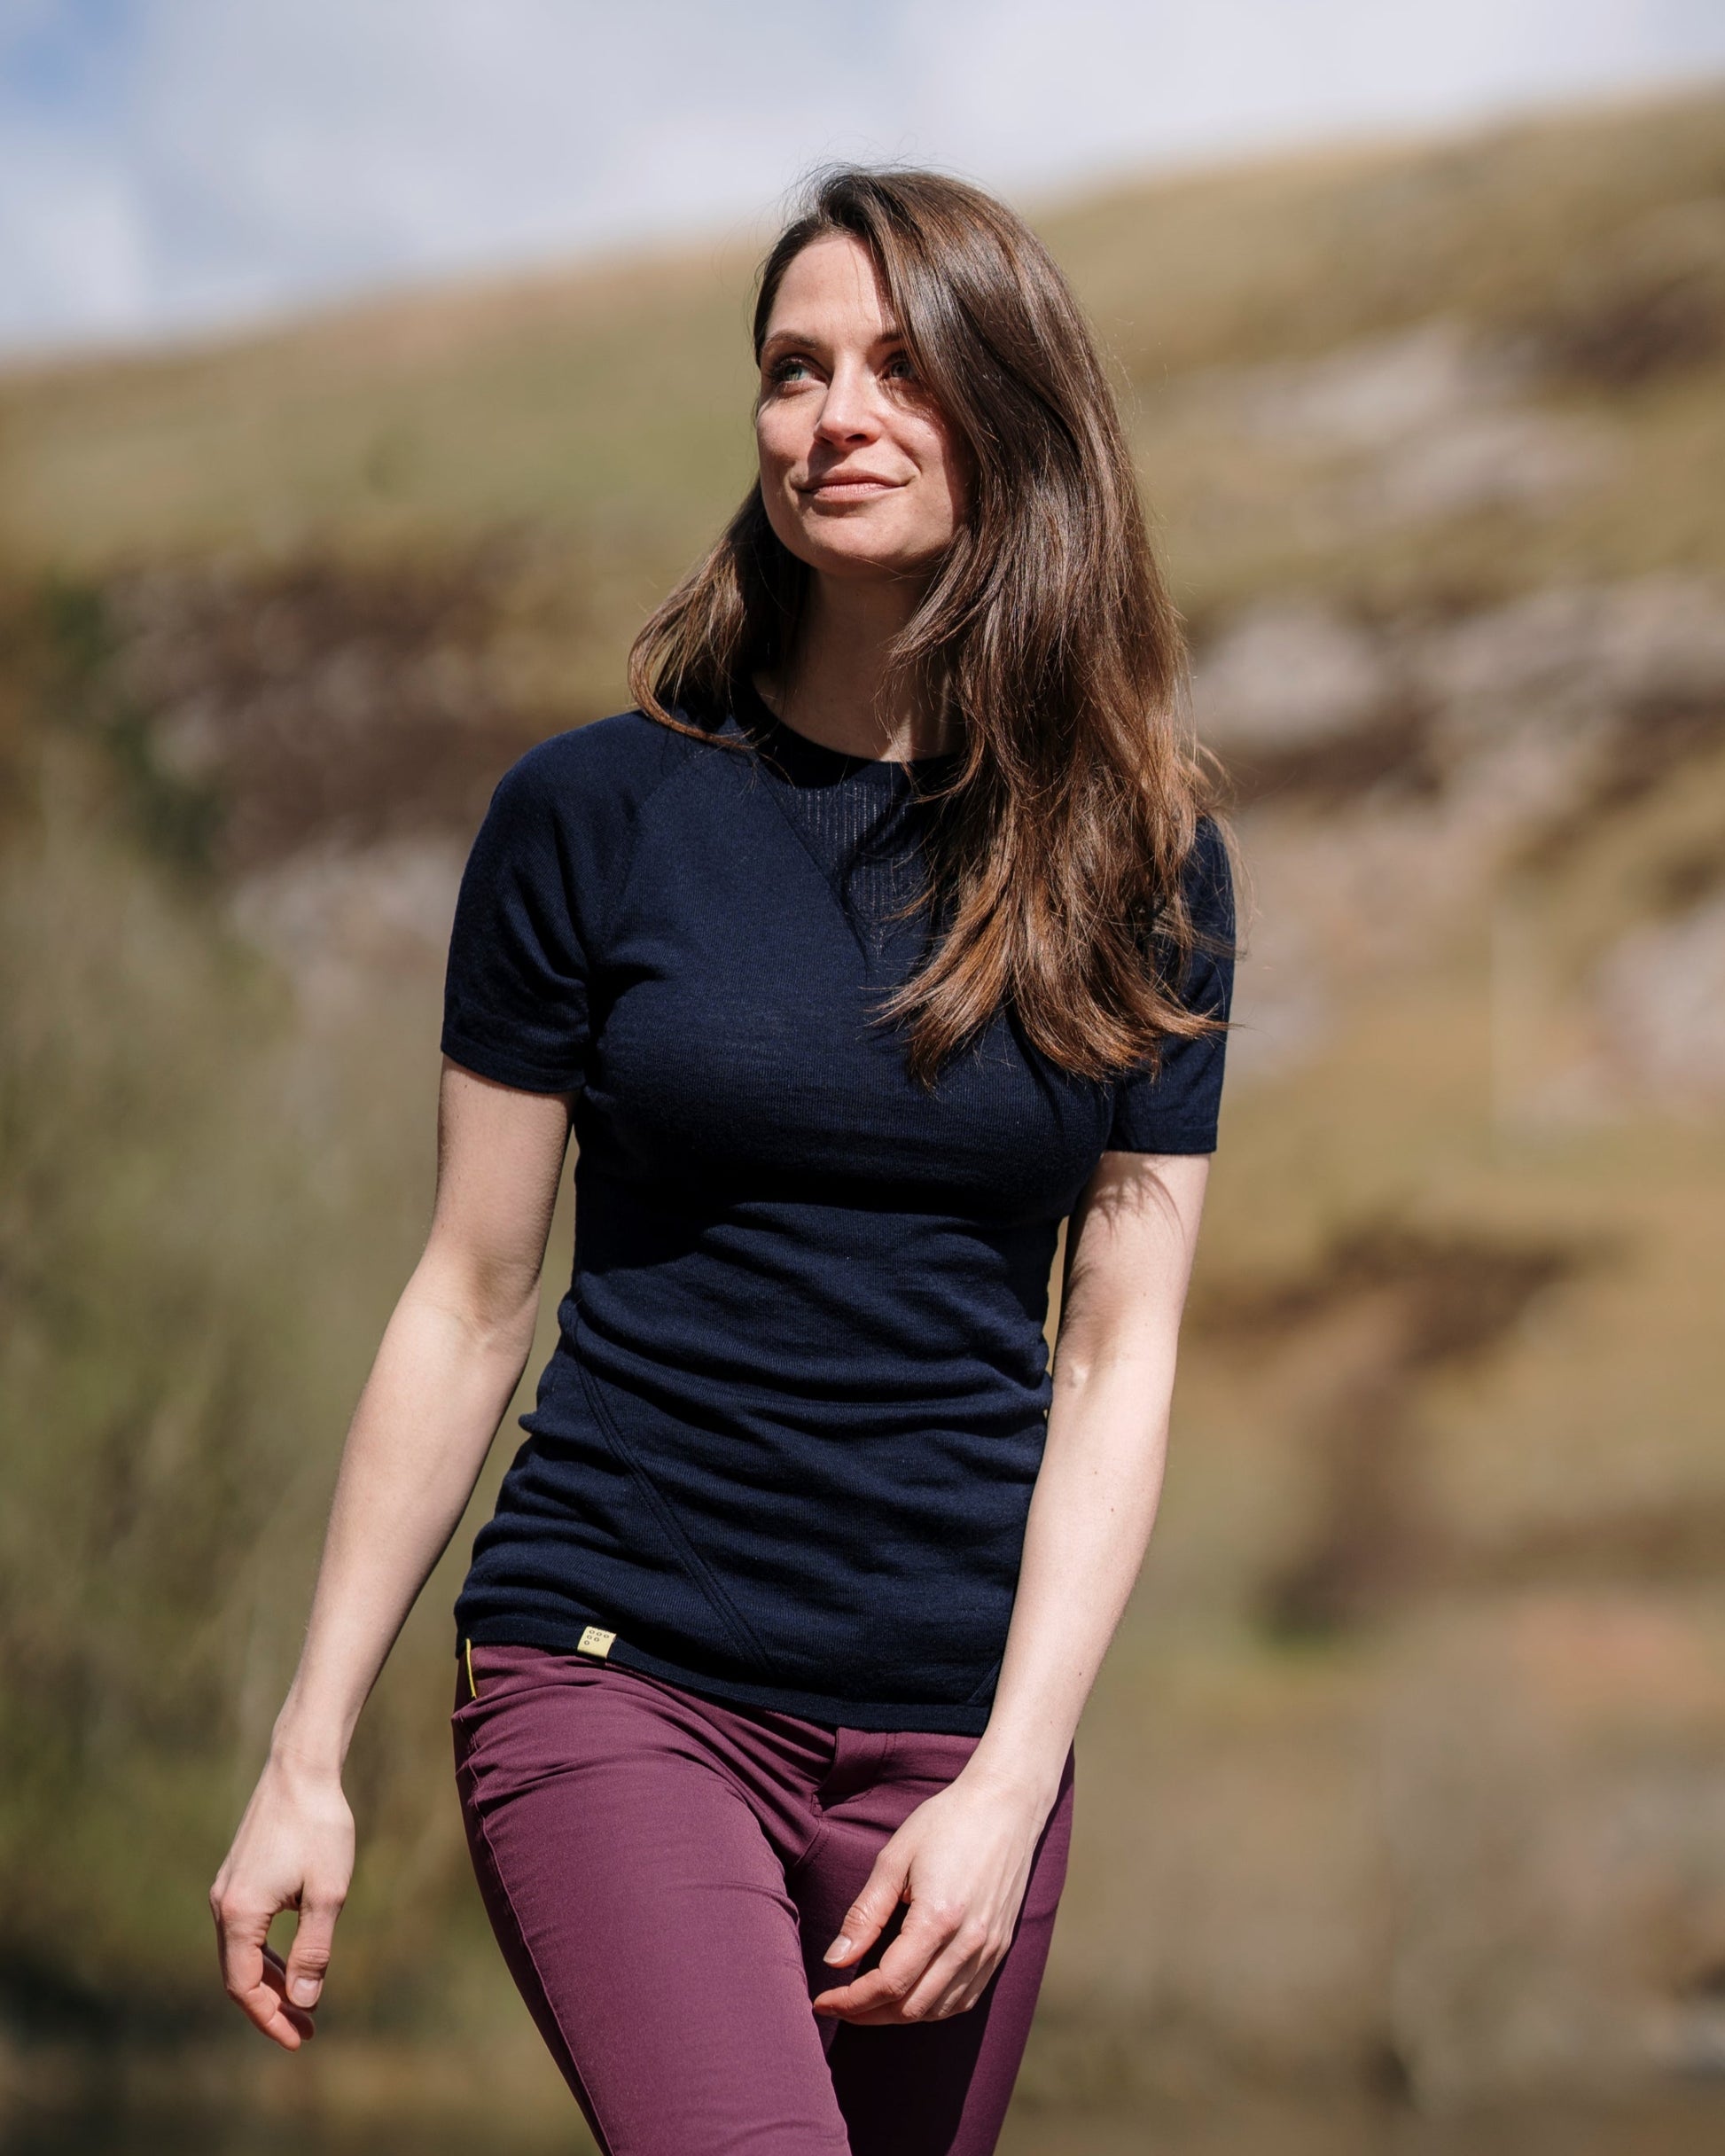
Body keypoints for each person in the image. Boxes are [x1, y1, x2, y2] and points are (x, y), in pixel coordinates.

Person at [210, 165, 1235, 2156]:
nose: (829, 414)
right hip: (623, 1679)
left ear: (1015, 417)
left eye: (895, 366)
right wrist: (304, 1747)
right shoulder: (591, 819)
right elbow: (468, 1289)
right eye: (790, 368)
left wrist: (1013, 1777)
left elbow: (1120, 1355)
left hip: (959, 1746)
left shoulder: (1139, 859)